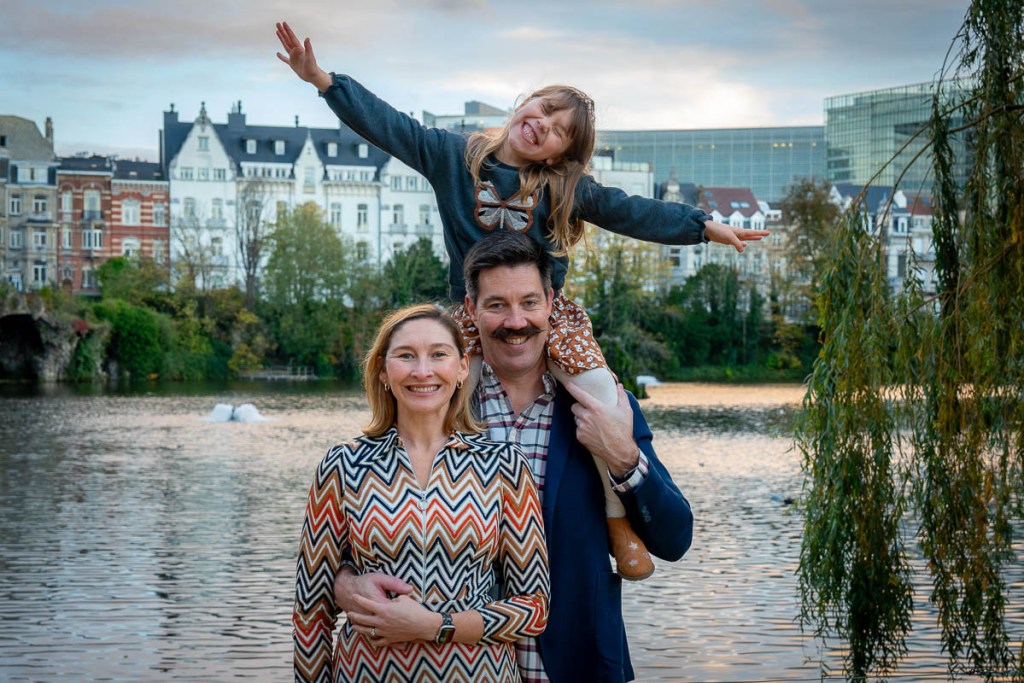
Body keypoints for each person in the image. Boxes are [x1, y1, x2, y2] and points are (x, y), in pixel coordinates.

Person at [276, 19, 727, 580]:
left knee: (599, 394)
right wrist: (324, 81)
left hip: (555, 317)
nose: (542, 124)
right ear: (522, 105)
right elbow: (391, 127)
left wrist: (700, 227)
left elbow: (629, 210)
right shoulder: (454, 157)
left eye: (559, 130)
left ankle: (617, 521)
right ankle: (406, 522)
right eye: (542, 109)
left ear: (562, 154)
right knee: (434, 403)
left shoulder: (563, 189)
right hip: (465, 318)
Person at [334, 231, 693, 683]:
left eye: (529, 302)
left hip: (575, 665)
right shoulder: (431, 400)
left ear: (551, 303)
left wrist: (621, 455)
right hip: (458, 666)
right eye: (497, 305)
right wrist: (347, 586)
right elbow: (347, 545)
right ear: (471, 309)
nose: (516, 321)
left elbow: (674, 539)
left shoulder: (602, 407)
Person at [293, 304, 550, 683]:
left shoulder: (504, 465)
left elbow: (534, 609)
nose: (422, 371)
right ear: (383, 370)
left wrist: (436, 625)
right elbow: (310, 608)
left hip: (479, 674)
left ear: (462, 368)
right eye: (406, 356)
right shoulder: (343, 464)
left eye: (438, 354)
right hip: (367, 673)